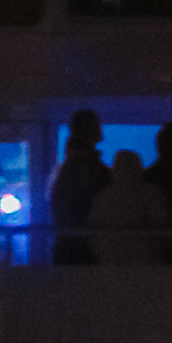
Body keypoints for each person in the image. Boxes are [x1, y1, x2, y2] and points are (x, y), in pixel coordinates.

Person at [86, 151, 171, 265]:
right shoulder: (151, 194)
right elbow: (161, 223)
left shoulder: (103, 197)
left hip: (112, 258)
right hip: (145, 258)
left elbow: (94, 230)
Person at [49, 109, 106, 265]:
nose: (101, 129)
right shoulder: (86, 167)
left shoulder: (68, 166)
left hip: (69, 246)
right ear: (88, 128)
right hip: (82, 249)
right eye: (97, 125)